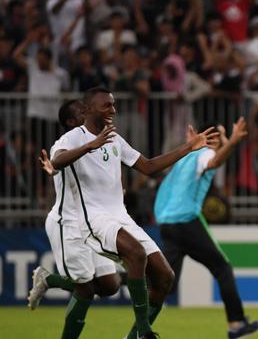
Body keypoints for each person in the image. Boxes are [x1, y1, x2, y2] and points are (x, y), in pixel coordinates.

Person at [49, 87, 218, 339]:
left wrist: (188, 148)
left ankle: (134, 337)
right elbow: (57, 162)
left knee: (165, 278)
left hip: (120, 216)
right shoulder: (73, 138)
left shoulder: (114, 139)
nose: (113, 110)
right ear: (86, 110)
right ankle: (144, 331)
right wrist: (90, 145)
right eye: (106, 105)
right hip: (93, 219)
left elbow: (148, 167)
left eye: (113, 105)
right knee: (136, 255)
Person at [153, 118, 258, 338]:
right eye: (220, 134)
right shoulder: (205, 154)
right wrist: (231, 143)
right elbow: (214, 162)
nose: (222, 139)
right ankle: (236, 323)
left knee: (166, 284)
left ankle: (137, 322)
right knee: (223, 268)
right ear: (213, 138)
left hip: (165, 223)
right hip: (185, 220)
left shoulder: (185, 157)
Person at [28, 100, 122, 338]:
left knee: (110, 286)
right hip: (67, 223)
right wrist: (53, 168)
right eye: (82, 111)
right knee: (85, 290)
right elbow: (57, 162)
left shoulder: (101, 143)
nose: (88, 111)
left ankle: (49, 279)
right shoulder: (66, 142)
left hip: (94, 222)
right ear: (71, 122)